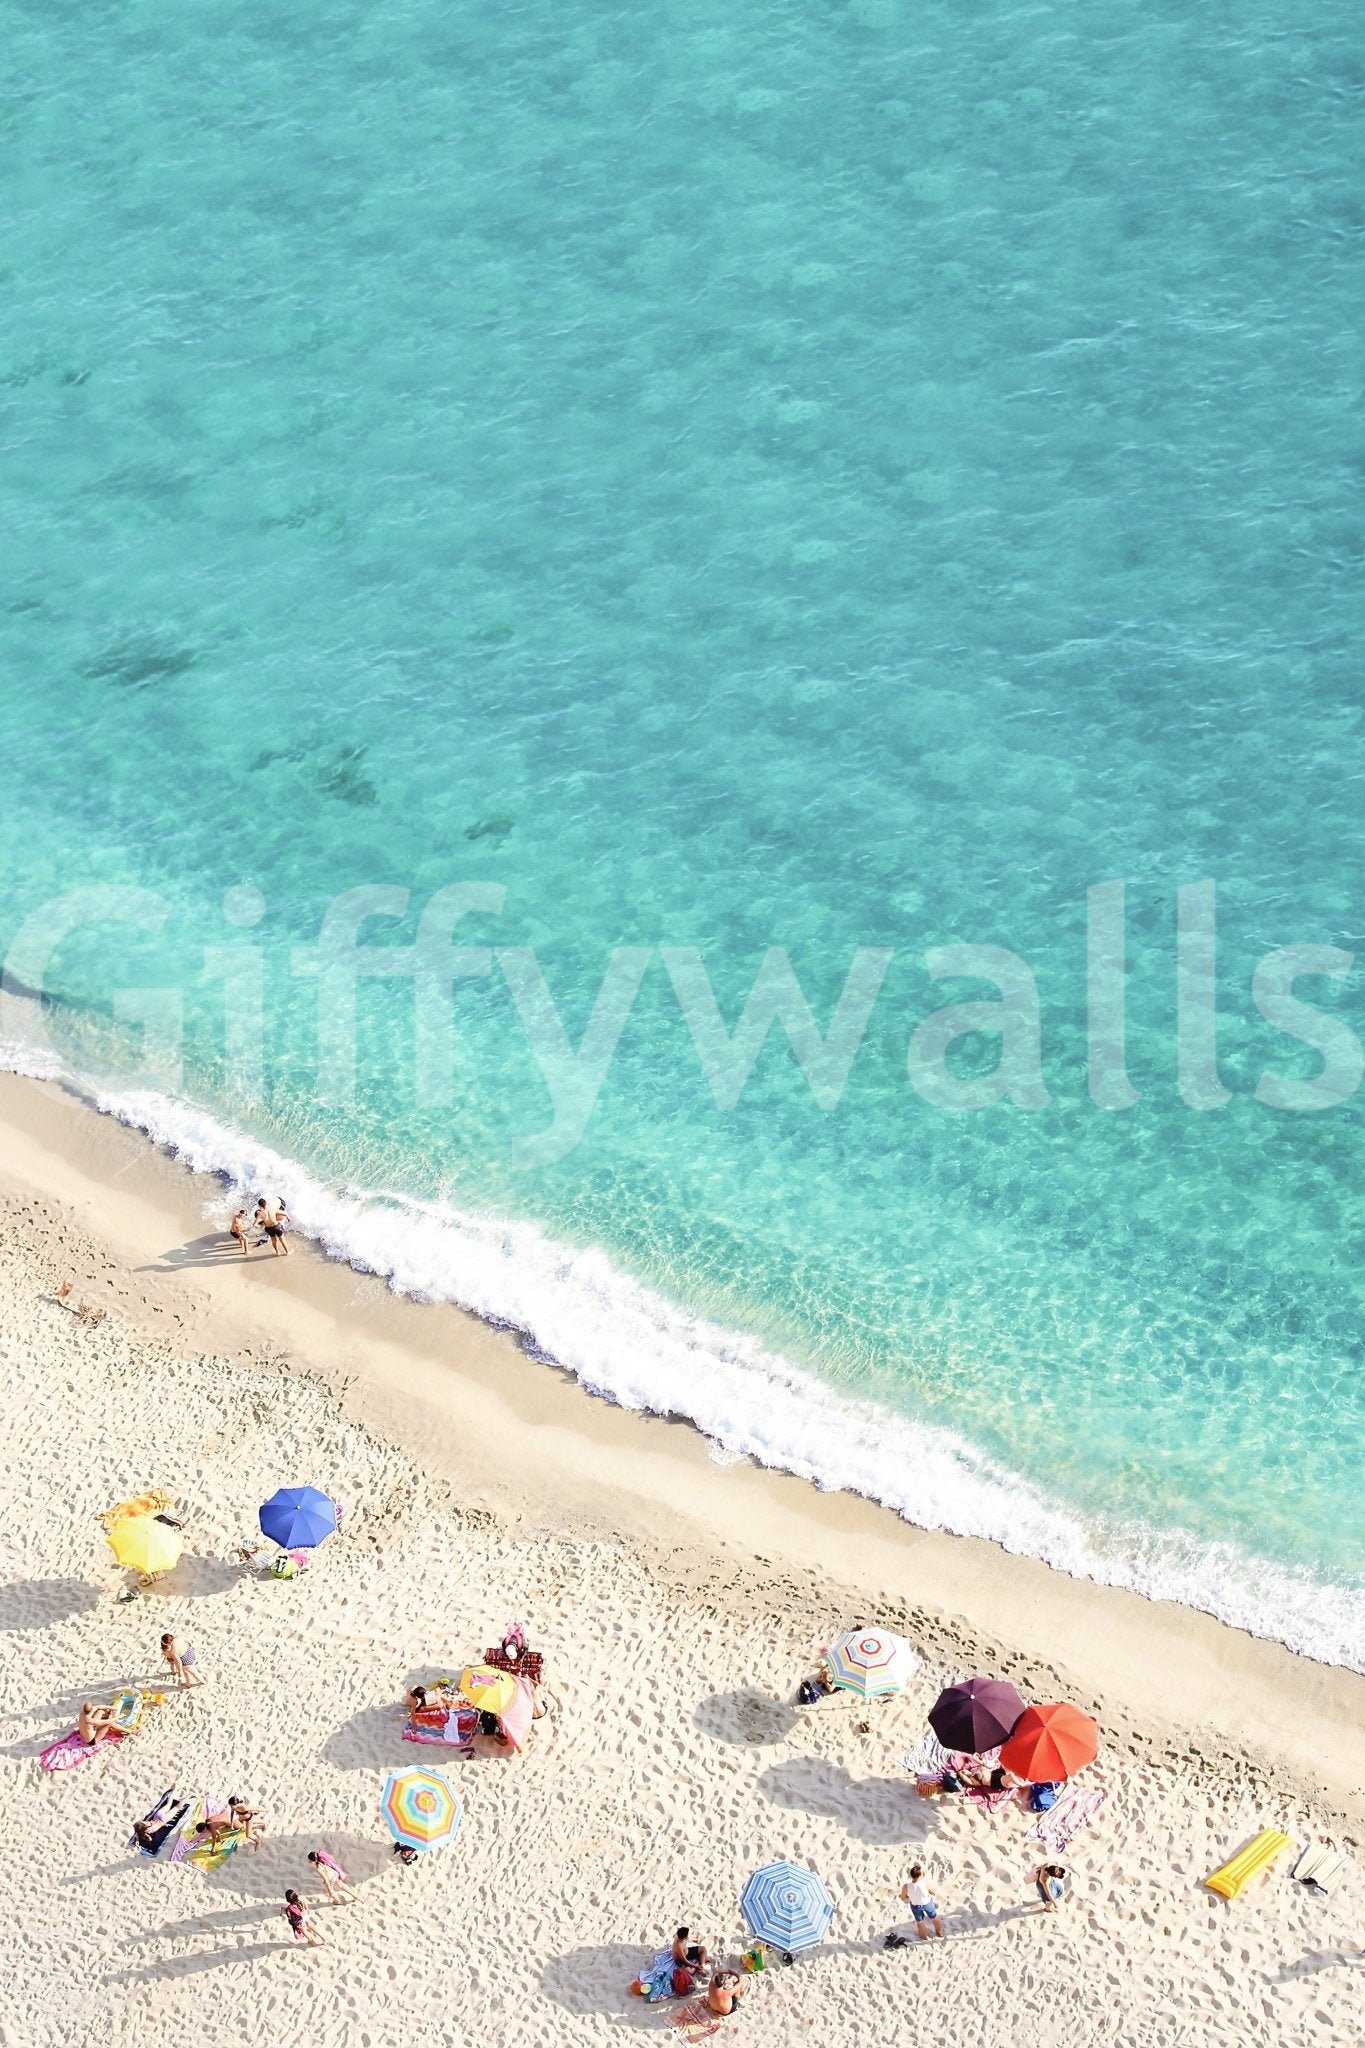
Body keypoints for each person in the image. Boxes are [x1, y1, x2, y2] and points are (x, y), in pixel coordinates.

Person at [133, 1787, 189, 1856]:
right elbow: (139, 1829)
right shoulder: (145, 1824)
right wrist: (138, 1837)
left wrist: (139, 1839)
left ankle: (189, 1795)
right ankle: (175, 1789)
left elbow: (149, 1839)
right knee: (169, 1803)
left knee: (177, 1808)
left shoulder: (146, 1831)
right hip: (158, 1815)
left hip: (163, 1820)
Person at [899, 1865, 945, 1940]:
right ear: (920, 1875)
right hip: (927, 1903)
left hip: (915, 1906)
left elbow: (903, 1897)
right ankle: (940, 1932)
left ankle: (925, 1937)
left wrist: (908, 1896)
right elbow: (933, 1892)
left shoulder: (906, 1886)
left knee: (920, 1922)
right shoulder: (924, 1883)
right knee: (934, 1917)